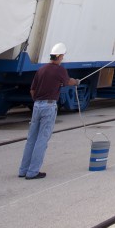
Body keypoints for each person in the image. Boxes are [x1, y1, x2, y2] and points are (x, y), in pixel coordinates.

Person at [18, 42, 79, 180]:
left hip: (37, 106)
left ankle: (23, 170)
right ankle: (33, 172)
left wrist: (38, 102)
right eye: (62, 56)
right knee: (42, 139)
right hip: (49, 106)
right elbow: (68, 82)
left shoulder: (41, 69)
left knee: (31, 139)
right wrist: (76, 82)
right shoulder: (60, 70)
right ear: (60, 56)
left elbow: (32, 90)